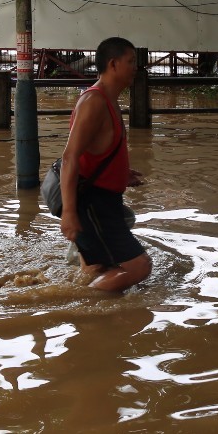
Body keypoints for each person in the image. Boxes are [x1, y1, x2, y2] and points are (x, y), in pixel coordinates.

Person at [59, 36, 151, 292]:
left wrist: (122, 173)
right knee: (139, 266)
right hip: (93, 202)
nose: (136, 67)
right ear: (113, 64)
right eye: (131, 61)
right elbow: (70, 157)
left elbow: (98, 152)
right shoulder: (94, 101)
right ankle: (75, 302)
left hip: (103, 200)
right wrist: (69, 213)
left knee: (97, 269)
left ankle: (92, 319)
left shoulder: (108, 98)